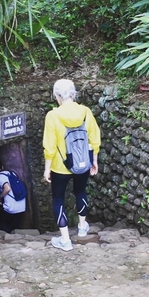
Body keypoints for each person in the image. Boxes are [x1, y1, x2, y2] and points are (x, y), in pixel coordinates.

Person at [43, 79, 101, 251]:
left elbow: (49, 145)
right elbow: (94, 138)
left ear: (56, 96)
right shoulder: (85, 112)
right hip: (82, 163)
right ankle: (83, 228)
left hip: (60, 167)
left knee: (58, 199)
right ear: (74, 94)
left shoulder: (53, 116)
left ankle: (66, 240)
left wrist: (47, 168)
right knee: (81, 191)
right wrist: (94, 160)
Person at [0, 159, 26, 233]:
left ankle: (7, 236)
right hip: (21, 206)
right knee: (15, 225)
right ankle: (15, 238)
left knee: (0, 221)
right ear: (2, 167)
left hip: (11, 207)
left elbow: (7, 188)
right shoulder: (11, 173)